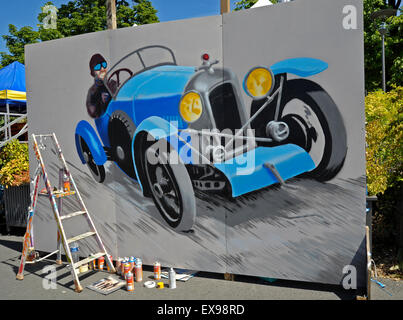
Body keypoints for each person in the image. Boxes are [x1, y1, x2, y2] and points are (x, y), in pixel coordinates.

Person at [86, 53, 112, 118]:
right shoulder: (93, 91)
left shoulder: (112, 83)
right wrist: (101, 101)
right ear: (93, 72)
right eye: (98, 67)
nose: (102, 69)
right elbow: (93, 113)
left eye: (104, 65)